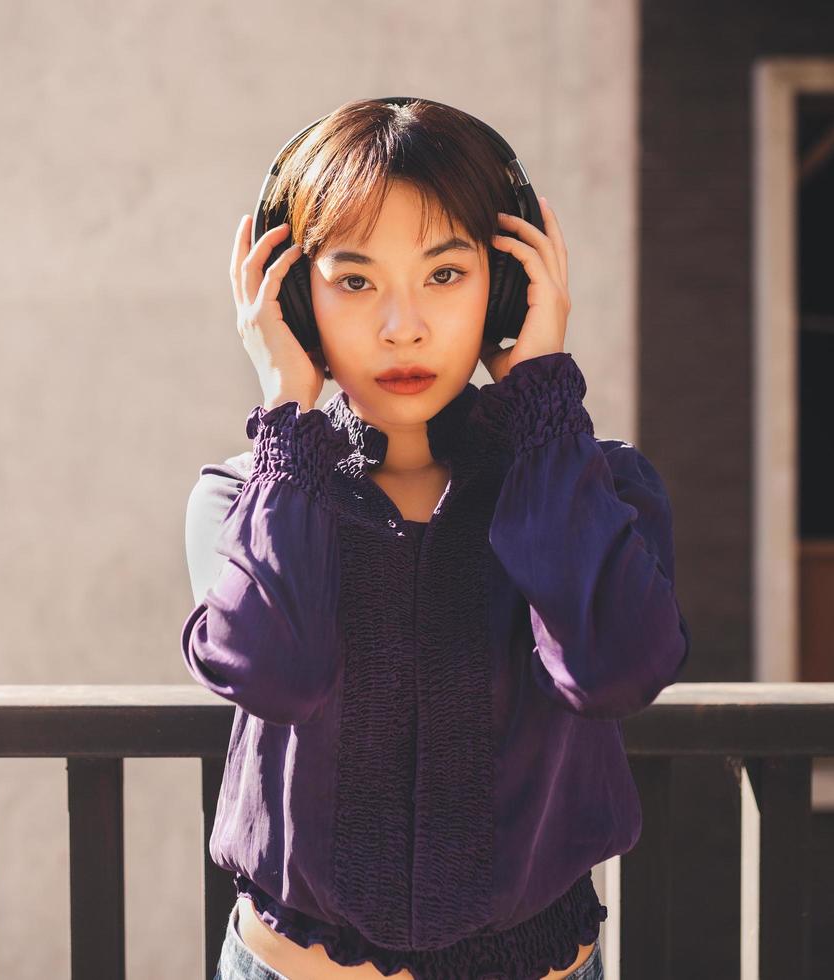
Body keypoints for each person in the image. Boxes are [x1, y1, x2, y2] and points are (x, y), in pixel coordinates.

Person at [180, 98, 691, 980]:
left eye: (445, 276)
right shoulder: (242, 498)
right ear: (297, 300)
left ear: (508, 284)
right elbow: (278, 671)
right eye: (354, 281)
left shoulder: (599, 487)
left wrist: (541, 400)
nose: (402, 326)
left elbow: (613, 669)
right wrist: (286, 416)